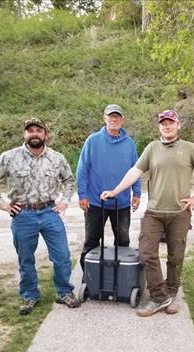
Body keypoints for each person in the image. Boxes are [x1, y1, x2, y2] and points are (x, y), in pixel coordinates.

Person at [101, 110, 194, 317]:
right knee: (146, 253)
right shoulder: (152, 148)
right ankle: (159, 297)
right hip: (154, 212)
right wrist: (116, 190)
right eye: (163, 123)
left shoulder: (189, 148)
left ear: (178, 125)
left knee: (176, 256)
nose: (167, 126)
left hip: (180, 213)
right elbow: (135, 172)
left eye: (171, 123)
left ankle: (171, 292)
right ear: (159, 127)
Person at [0, 117, 80, 315]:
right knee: (25, 259)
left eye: (38, 130)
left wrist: (65, 200)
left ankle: (64, 292)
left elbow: (69, 181)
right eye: (30, 130)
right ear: (25, 134)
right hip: (23, 215)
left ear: (45, 134)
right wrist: (3, 205)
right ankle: (29, 295)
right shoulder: (10, 157)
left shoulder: (56, 158)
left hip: (50, 212)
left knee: (62, 256)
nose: (34, 133)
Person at [76, 104, 141, 271]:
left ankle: (121, 277)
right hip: (96, 202)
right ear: (104, 118)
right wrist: (82, 194)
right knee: (91, 241)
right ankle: (89, 278)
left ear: (123, 120)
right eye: (110, 116)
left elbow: (136, 169)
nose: (114, 119)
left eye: (117, 116)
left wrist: (137, 193)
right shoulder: (93, 140)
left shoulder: (130, 144)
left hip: (122, 202)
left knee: (123, 242)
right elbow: (82, 169)